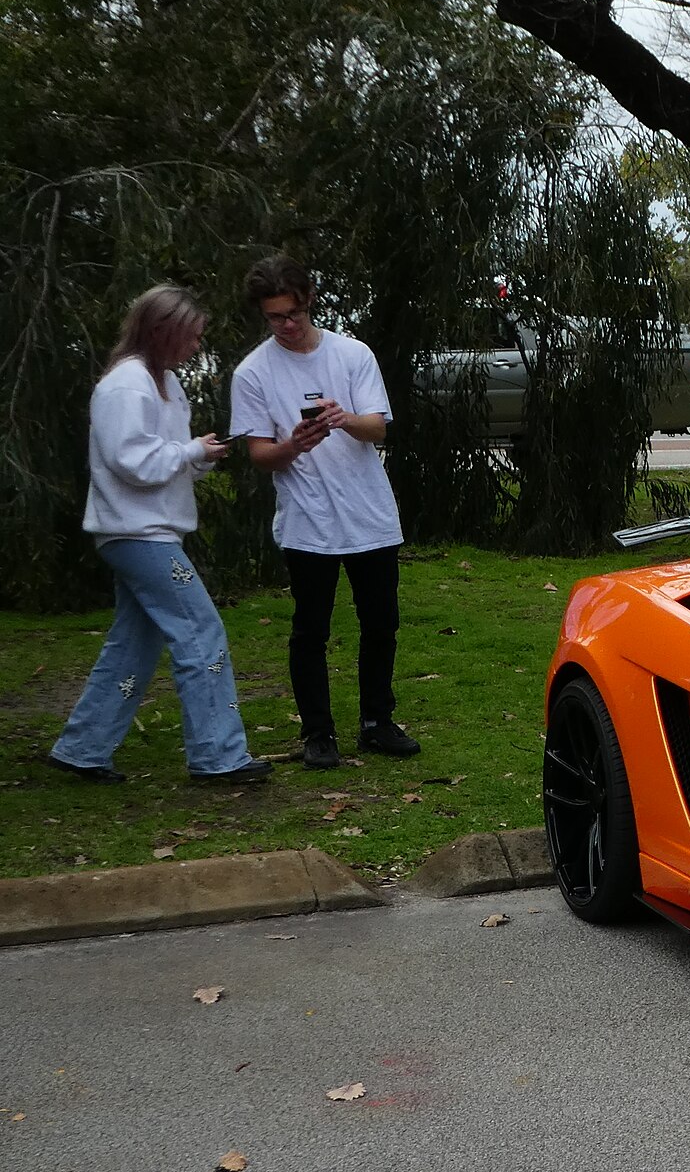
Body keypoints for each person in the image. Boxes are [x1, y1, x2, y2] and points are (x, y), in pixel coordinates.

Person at [48, 286, 270, 785]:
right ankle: (218, 756)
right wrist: (190, 452)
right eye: (190, 336)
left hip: (149, 530)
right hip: (137, 533)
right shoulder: (128, 384)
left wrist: (200, 456)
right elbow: (130, 461)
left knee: (135, 641)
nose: (195, 347)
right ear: (162, 331)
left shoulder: (165, 382)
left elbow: (164, 460)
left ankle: (83, 747)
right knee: (200, 630)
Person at [232, 254, 418, 770]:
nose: (286, 326)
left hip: (369, 514)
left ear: (309, 299)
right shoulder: (253, 372)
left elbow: (378, 427)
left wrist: (344, 419)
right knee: (310, 629)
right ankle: (318, 732)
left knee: (380, 622)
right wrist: (294, 444)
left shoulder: (352, 354)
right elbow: (259, 454)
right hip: (306, 520)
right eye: (274, 318)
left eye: (292, 313)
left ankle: (377, 721)